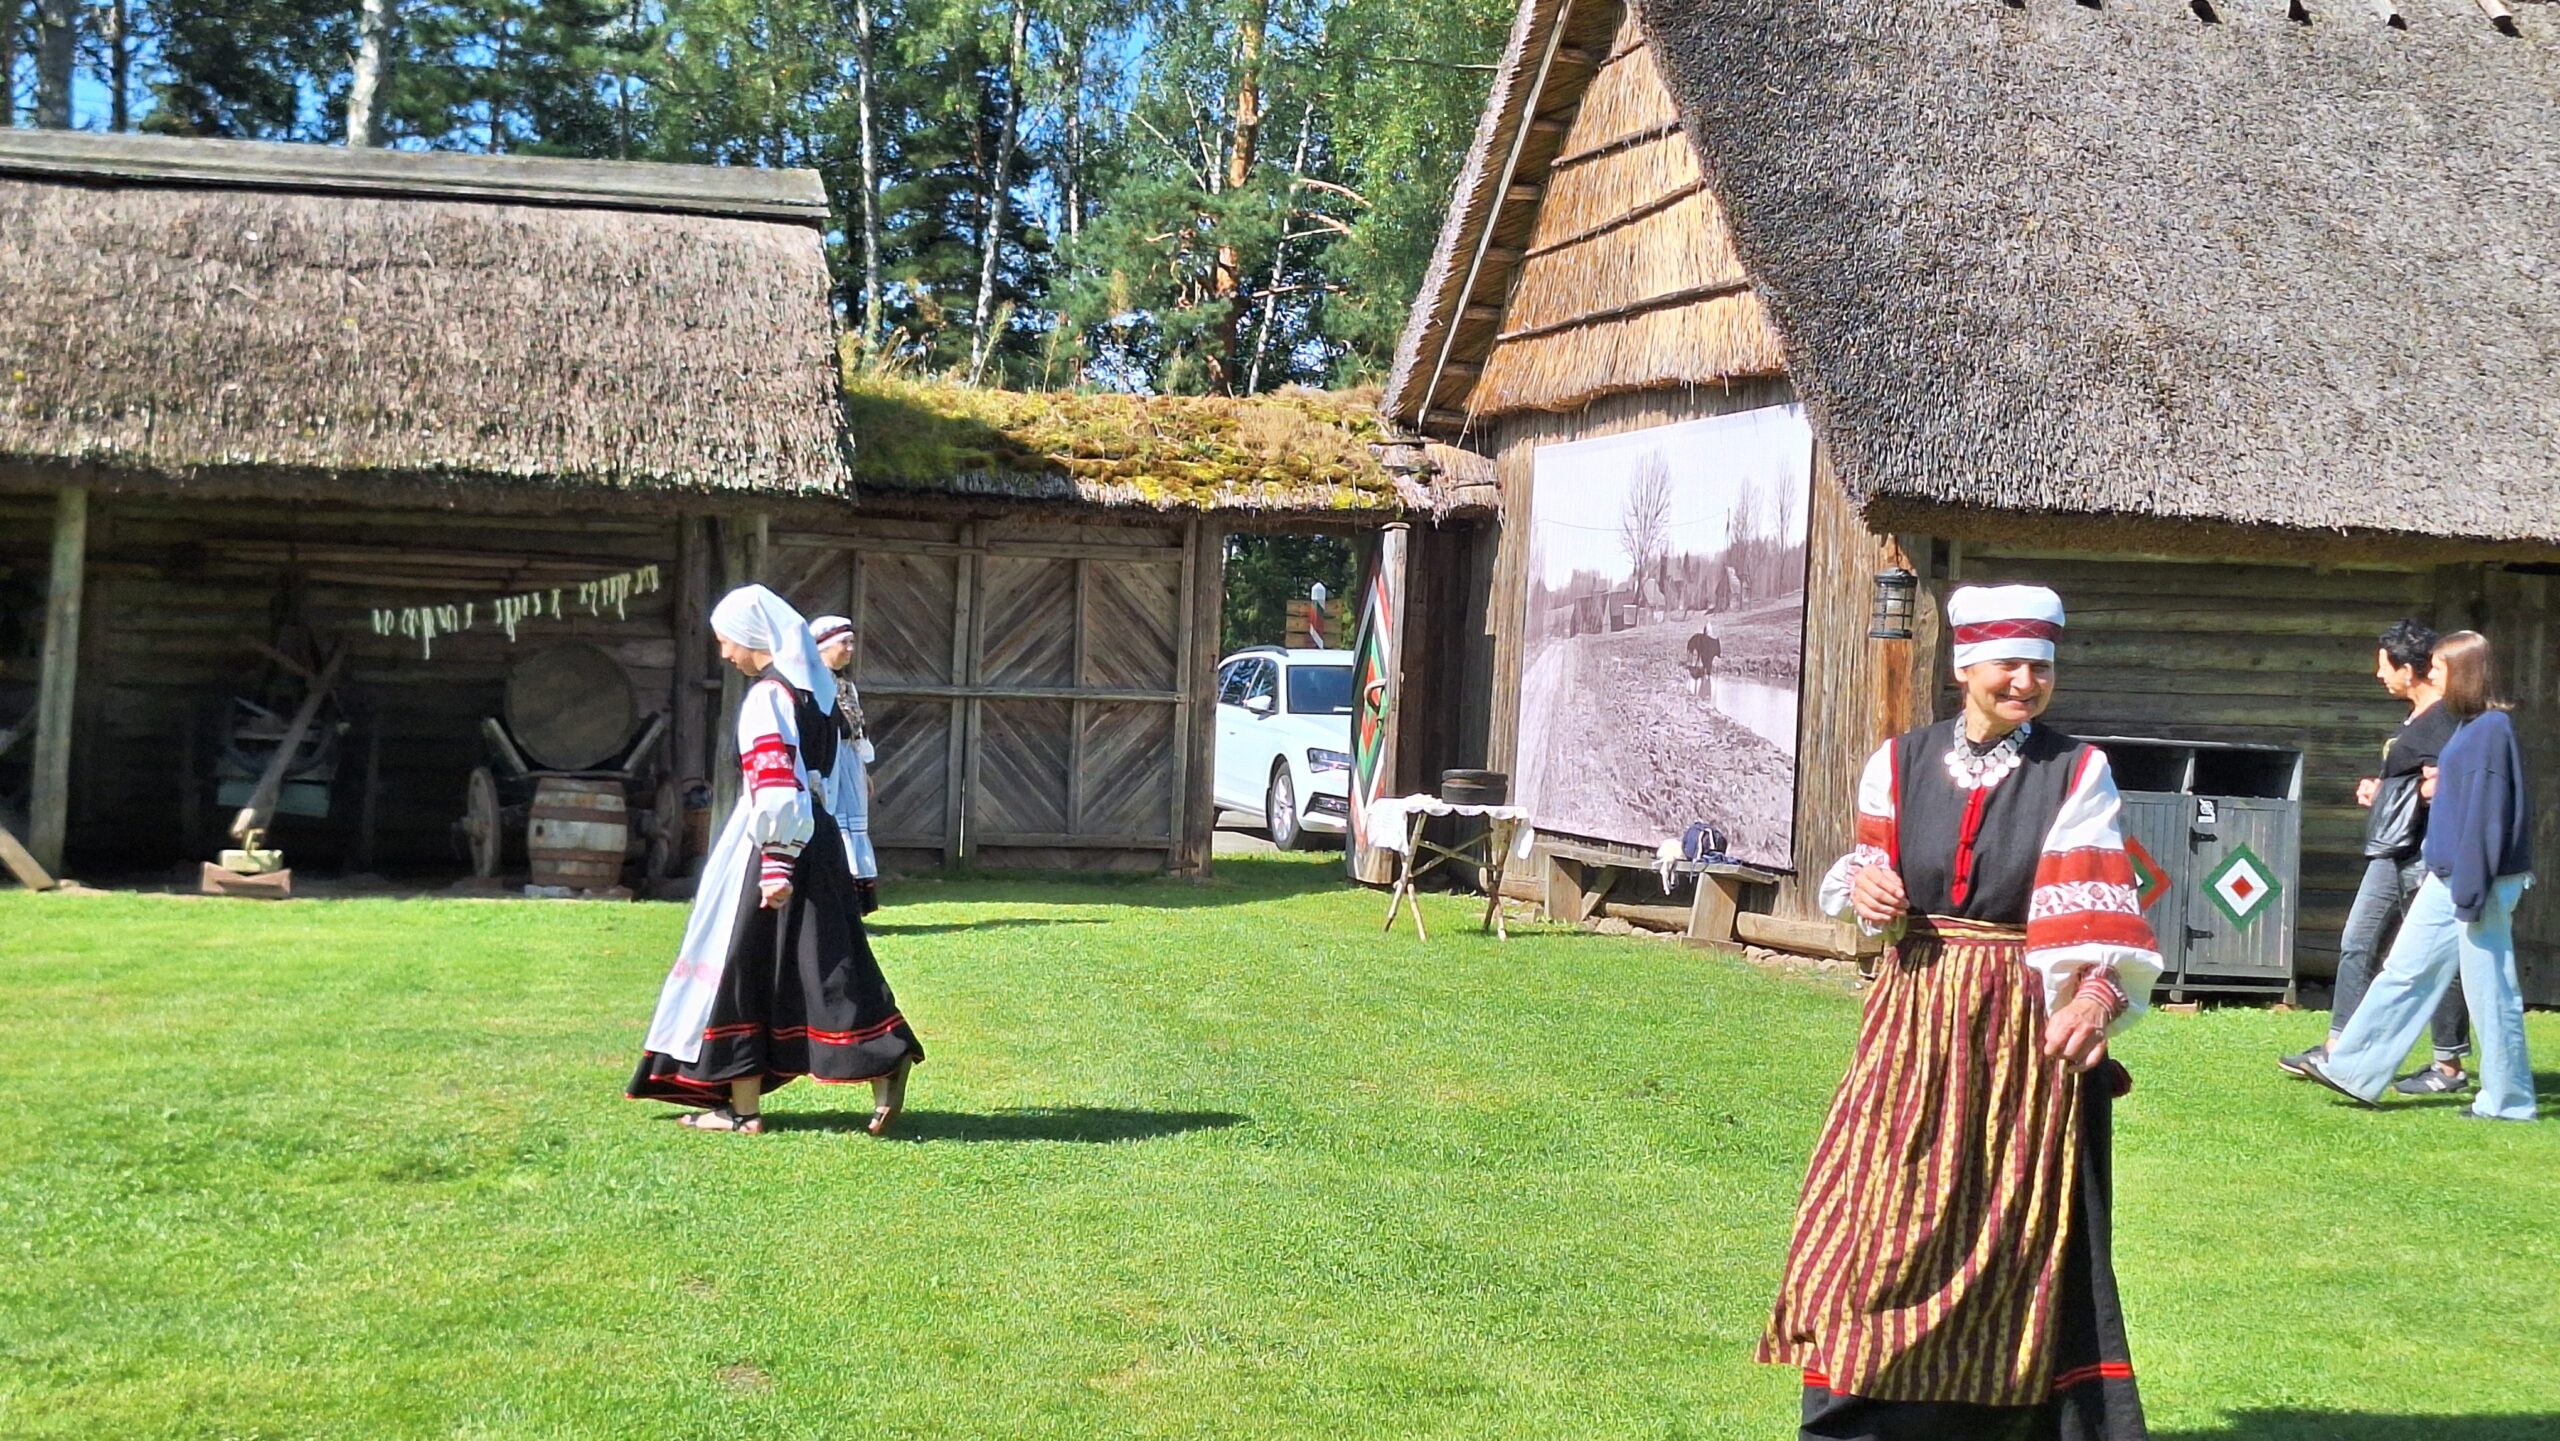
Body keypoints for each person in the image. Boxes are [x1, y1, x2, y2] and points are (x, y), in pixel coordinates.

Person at [1764, 584, 2161, 1441]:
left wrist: (2095, 995)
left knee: (2010, 1227)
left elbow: (2100, 906)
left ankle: (1996, 1419)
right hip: (1912, 1018)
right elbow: (1871, 874)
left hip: (2020, 1031)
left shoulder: (2077, 771)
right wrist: (1868, 889)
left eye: (2041, 667)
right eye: (2009, 664)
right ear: (1965, 667)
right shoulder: (1898, 762)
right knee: (1880, 1217)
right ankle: (1859, 1415)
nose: (2026, 681)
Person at [628, 584, 922, 1135]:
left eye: (726, 641)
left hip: (774, 845)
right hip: (821, 837)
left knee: (741, 965)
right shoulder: (819, 693)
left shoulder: (769, 696)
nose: (724, 654)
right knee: (830, 958)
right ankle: (885, 1057)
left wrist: (776, 863)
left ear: (750, 636)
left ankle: (742, 1111)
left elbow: (777, 783)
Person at [2302, 631, 2536, 1122]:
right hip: (2446, 874)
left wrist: (2471, 890)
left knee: (2491, 990)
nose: (2433, 675)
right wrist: (2437, 788)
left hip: (2478, 881)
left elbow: (2487, 818)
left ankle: (2508, 1102)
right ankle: (2352, 1070)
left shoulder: (2491, 730)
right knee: (2403, 971)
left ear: (2464, 673)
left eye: (2441, 668)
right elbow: (2463, 794)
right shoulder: (2470, 728)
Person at [2280, 619, 2469, 1091]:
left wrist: (2414, 792)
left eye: (2385, 666)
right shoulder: (2415, 719)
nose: (2379, 675)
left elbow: (2451, 783)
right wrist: (2381, 789)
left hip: (2424, 854)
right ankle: (2337, 1047)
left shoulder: (2446, 721)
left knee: (2435, 956)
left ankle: (2448, 1065)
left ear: (2408, 669)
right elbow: (2411, 780)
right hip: (2390, 849)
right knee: (2357, 941)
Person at [808, 614, 882, 914]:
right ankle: (835, 904)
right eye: (845, 643)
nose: (851, 649)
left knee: (854, 825)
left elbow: (856, 728)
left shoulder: (845, 685)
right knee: (834, 823)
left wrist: (862, 769)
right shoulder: (814, 683)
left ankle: (854, 907)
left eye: (852, 642)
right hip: (829, 759)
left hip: (849, 759)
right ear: (824, 645)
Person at [1686, 622, 1722, 702]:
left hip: (1706, 658)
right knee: (1707, 671)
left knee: (1707, 670)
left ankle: (1705, 680)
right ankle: (1705, 680)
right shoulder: (1702, 640)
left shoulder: (1705, 640)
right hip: (1705, 658)